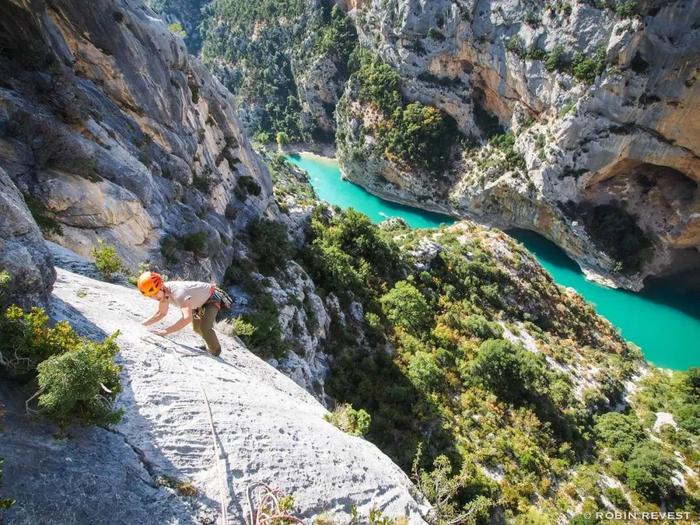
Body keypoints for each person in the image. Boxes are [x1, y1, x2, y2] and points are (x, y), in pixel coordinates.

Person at [138, 271, 222, 357]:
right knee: (196, 327)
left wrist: (165, 331)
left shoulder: (178, 292)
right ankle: (209, 342)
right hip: (196, 304)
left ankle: (215, 350)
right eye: (150, 296)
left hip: (211, 299)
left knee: (205, 327)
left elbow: (187, 318)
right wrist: (142, 324)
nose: (154, 298)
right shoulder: (164, 294)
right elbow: (161, 313)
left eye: (155, 293)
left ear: (161, 287)